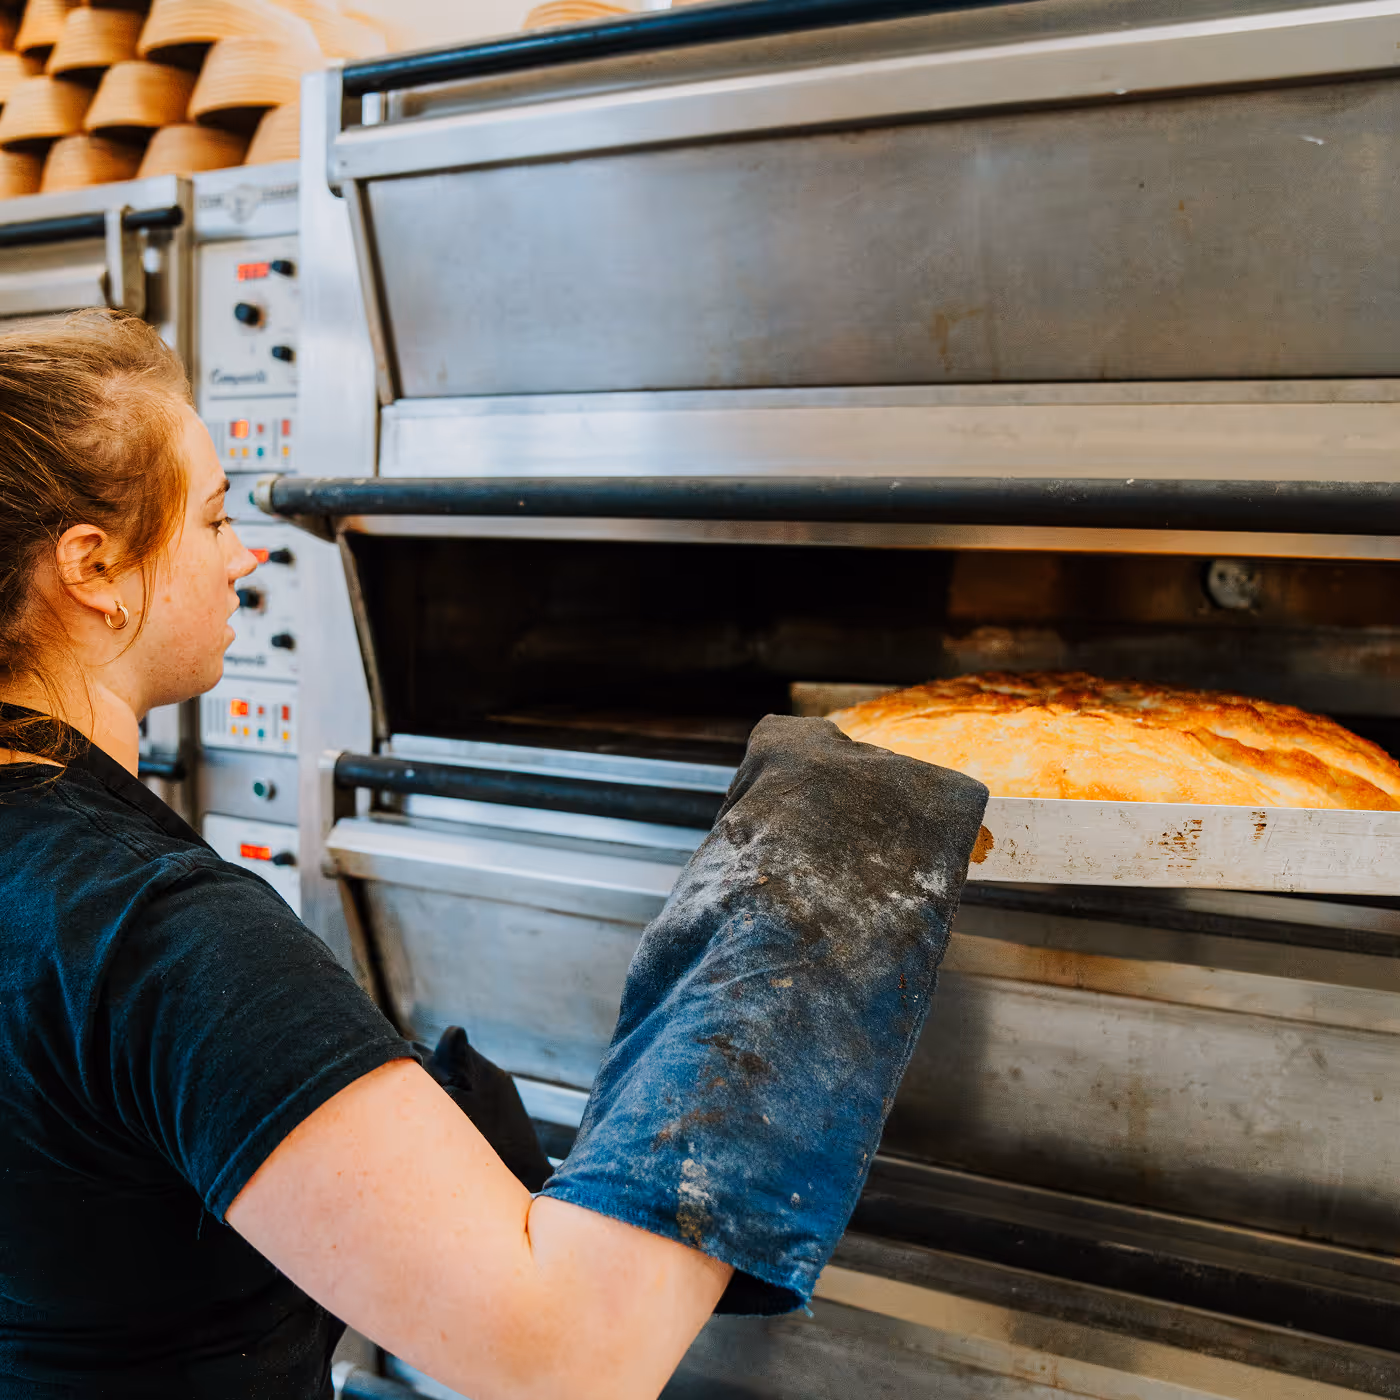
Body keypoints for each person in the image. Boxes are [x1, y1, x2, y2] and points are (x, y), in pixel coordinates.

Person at [0, 310, 990, 1399]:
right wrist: (813, 872)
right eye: (212, 516)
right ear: (93, 568)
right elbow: (570, 1355)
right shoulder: (159, 933)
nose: (241, 553)